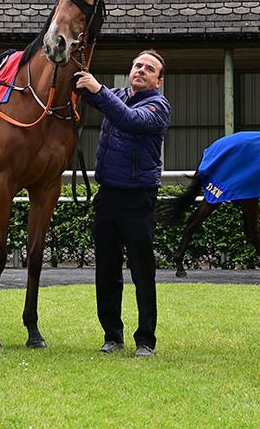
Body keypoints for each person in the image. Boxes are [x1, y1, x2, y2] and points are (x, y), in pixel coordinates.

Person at [75, 50, 171, 358]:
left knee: (142, 271)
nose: (141, 71)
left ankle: (145, 340)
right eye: (137, 65)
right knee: (106, 268)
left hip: (138, 197)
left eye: (149, 68)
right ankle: (112, 335)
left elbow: (129, 119)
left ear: (159, 80)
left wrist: (98, 90)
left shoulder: (158, 106)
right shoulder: (116, 95)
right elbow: (87, 94)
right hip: (108, 196)